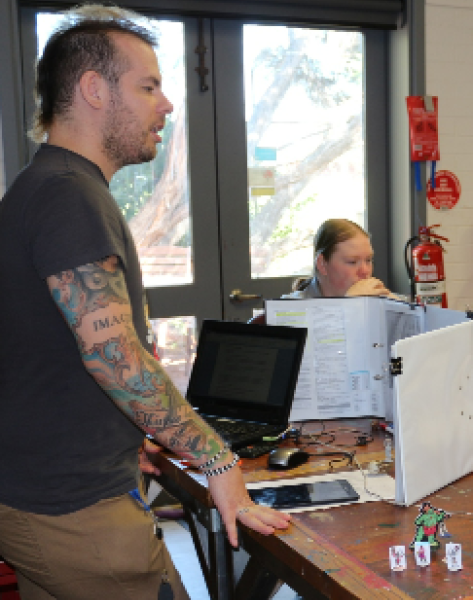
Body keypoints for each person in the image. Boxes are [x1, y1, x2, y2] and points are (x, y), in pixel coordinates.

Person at [0, 6, 289, 599]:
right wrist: (217, 460)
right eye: (148, 85)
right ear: (93, 90)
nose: (167, 104)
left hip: (34, 500)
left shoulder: (44, 185)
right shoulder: (68, 196)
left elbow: (50, 352)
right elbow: (115, 358)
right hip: (76, 511)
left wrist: (132, 432)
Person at [285, 218, 393, 298]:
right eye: (352, 262)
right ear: (322, 264)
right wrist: (352, 304)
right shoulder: (288, 311)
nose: (365, 271)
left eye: (368, 260)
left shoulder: (377, 298)